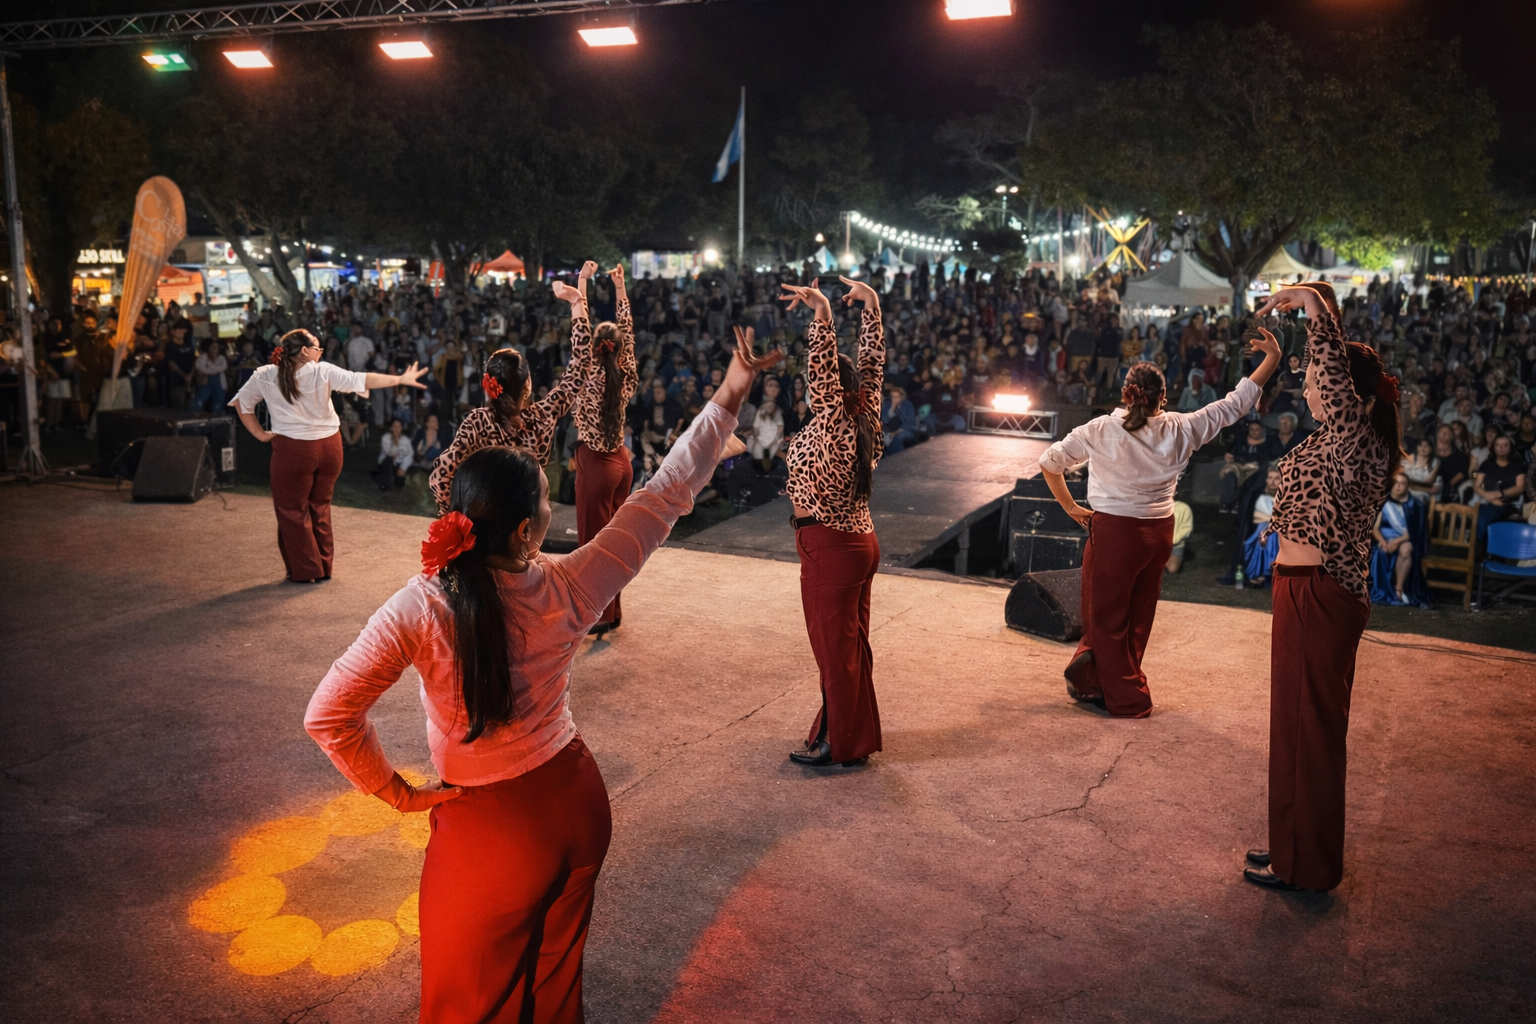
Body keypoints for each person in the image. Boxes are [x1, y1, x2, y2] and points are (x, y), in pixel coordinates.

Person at [302, 332, 780, 1024]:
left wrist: (399, 795)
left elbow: (329, 716)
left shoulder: (419, 604)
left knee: (469, 1003)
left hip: (489, 830)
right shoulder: (573, 583)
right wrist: (732, 389)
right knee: (554, 989)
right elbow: (667, 491)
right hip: (576, 803)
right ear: (527, 529)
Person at [1242, 282, 1399, 894]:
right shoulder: (1336, 439)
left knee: (1310, 732)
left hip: (1320, 594)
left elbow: (1331, 372)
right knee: (1293, 726)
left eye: (1314, 381)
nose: (1307, 389)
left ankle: (1308, 866)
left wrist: (1311, 302)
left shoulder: (1355, 437)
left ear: (1347, 396)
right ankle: (1291, 849)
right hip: (1300, 589)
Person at [1041, 328, 1281, 717]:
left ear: (1125, 393)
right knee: (1137, 616)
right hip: (1158, 534)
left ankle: (1128, 697)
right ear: (1163, 397)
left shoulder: (1100, 429)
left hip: (1115, 532)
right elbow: (1235, 405)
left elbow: (1049, 463)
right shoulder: (1182, 428)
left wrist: (1070, 508)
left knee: (1105, 618)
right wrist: (1271, 359)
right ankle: (1099, 682)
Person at [781, 276, 885, 767]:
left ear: (826, 390)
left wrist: (822, 313)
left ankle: (839, 744)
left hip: (831, 549)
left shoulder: (834, 418)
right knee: (848, 650)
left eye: (816, 384)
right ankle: (850, 734)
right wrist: (873, 309)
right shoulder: (865, 414)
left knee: (834, 653)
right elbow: (872, 369)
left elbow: (826, 371)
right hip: (857, 543)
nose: (810, 387)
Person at [230, 329, 427, 583]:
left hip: (292, 449)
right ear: (304, 351)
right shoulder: (323, 371)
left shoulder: (266, 374)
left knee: (292, 510)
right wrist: (399, 379)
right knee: (320, 506)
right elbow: (362, 379)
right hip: (330, 448)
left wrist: (261, 434)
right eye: (317, 348)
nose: (319, 352)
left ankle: (305, 571)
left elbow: (241, 404)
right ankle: (324, 567)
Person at [429, 265, 595, 514]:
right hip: (525, 524)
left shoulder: (478, 422)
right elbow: (580, 366)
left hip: (486, 527)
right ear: (527, 385)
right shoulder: (541, 418)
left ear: (489, 384)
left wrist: (454, 515)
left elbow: (441, 476)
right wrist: (576, 302)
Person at [571, 264, 640, 636]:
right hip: (621, 462)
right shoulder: (625, 370)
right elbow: (626, 331)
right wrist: (620, 288)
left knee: (591, 548)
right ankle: (612, 611)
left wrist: (581, 282)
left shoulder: (587, 372)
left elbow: (579, 330)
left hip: (596, 466)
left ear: (594, 348)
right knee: (612, 544)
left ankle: (598, 616)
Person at [1369, 474, 1430, 606]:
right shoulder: (1382, 501)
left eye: (1402, 483)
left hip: (1405, 538)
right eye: (1395, 482)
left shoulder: (1415, 505)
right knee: (1381, 552)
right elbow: (1375, 528)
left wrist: (1396, 542)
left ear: (1407, 487)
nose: (1397, 486)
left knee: (1406, 549)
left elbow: (1414, 531)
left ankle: (1399, 589)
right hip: (1385, 538)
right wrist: (1383, 541)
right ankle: (1382, 591)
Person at [1472, 433, 1525, 549]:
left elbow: (1520, 487)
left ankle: (1489, 549)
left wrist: (1498, 494)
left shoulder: (1518, 464)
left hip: (1509, 503)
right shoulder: (1486, 464)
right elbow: (1477, 486)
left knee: (1491, 516)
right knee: (1481, 515)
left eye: (1505, 445)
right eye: (1498, 445)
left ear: (1510, 447)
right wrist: (1489, 497)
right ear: (1493, 447)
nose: (1501, 448)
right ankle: (1485, 548)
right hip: (1488, 502)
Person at [1241, 468, 1284, 586]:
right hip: (1262, 531)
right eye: (1270, 478)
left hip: (1280, 532)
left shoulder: (1286, 498)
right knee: (1265, 539)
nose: (1272, 481)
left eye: (1276, 478)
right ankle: (1261, 573)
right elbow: (1258, 519)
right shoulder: (1259, 497)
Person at [376, 418, 413, 490]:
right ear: (391, 428)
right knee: (388, 460)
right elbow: (389, 453)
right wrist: (395, 442)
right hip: (386, 463)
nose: (396, 429)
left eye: (398, 427)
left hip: (399, 464)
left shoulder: (405, 439)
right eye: (394, 426)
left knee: (399, 483)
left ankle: (392, 477)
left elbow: (409, 455)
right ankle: (386, 483)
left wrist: (403, 468)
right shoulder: (385, 438)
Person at [192, 339, 228, 414]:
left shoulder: (221, 358)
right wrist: (214, 370)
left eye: (216, 347)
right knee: (199, 400)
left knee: (219, 401)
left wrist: (210, 369)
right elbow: (201, 368)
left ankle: (217, 417)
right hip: (206, 383)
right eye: (213, 347)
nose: (215, 349)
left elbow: (223, 367)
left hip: (219, 384)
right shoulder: (203, 357)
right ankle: (193, 415)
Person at [1166, 499, 1193, 574]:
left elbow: (1187, 529)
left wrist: (1174, 539)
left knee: (1172, 568)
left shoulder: (1183, 507)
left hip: (1176, 546)